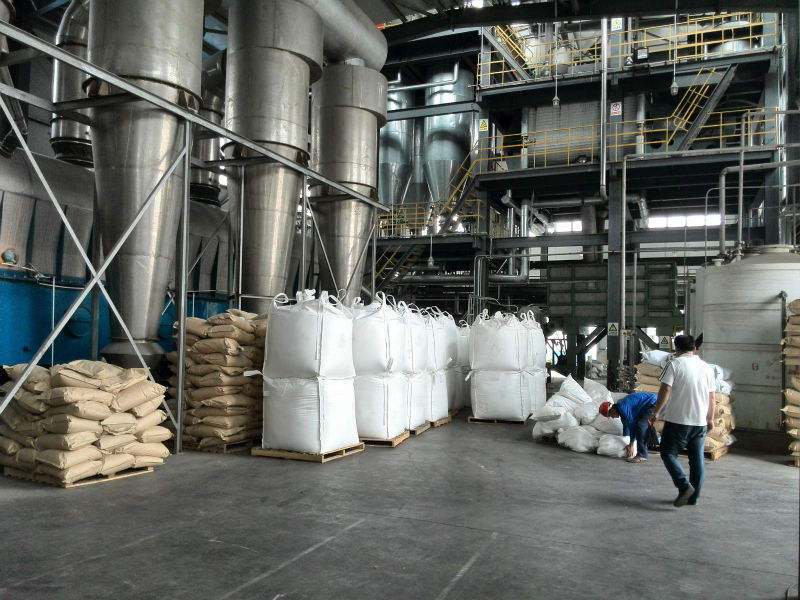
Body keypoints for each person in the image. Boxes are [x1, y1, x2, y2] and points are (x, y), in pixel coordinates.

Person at [649, 334, 716, 508]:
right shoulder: (707, 368)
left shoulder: (674, 364)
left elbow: (665, 390)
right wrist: (710, 418)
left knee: (667, 453)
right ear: (694, 348)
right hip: (700, 422)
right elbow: (712, 397)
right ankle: (694, 497)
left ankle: (684, 486)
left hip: (678, 420)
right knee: (697, 458)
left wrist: (656, 412)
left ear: (676, 348)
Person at [599, 392, 657, 463]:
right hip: (646, 407)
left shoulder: (622, 407)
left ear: (613, 410)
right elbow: (626, 427)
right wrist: (626, 440)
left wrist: (631, 444)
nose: (613, 418)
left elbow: (632, 427)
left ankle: (642, 455)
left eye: (611, 415)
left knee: (641, 425)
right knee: (638, 424)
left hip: (654, 404)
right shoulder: (622, 413)